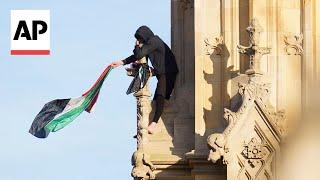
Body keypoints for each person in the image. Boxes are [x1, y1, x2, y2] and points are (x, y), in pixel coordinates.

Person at [111, 25, 178, 134]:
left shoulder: (154, 41)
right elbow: (137, 56)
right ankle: (149, 124)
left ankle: (154, 124)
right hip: (162, 73)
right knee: (157, 99)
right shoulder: (150, 44)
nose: (139, 41)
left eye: (140, 39)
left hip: (168, 72)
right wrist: (121, 62)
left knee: (160, 97)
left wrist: (136, 46)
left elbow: (139, 54)